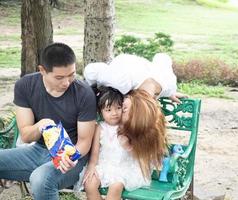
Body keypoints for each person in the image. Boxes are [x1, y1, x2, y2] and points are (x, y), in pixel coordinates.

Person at [0, 43, 97, 200]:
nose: (67, 82)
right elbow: (26, 135)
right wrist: (40, 125)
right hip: (38, 150)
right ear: (42, 71)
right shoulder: (25, 86)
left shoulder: (83, 93)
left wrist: (69, 156)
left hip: (73, 158)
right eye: (59, 77)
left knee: (41, 179)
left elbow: (85, 142)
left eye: (71, 75)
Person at [83, 88, 166, 200]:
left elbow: (137, 154)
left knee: (116, 186)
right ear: (100, 112)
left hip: (124, 167)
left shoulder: (127, 126)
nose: (114, 113)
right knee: (89, 184)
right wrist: (92, 166)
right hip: (105, 164)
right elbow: (95, 152)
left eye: (119, 108)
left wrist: (127, 145)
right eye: (108, 110)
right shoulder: (100, 128)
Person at [83, 53, 187, 103]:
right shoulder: (121, 80)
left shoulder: (169, 85)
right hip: (121, 67)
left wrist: (169, 93)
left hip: (144, 68)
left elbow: (162, 58)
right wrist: (93, 89)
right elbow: (90, 71)